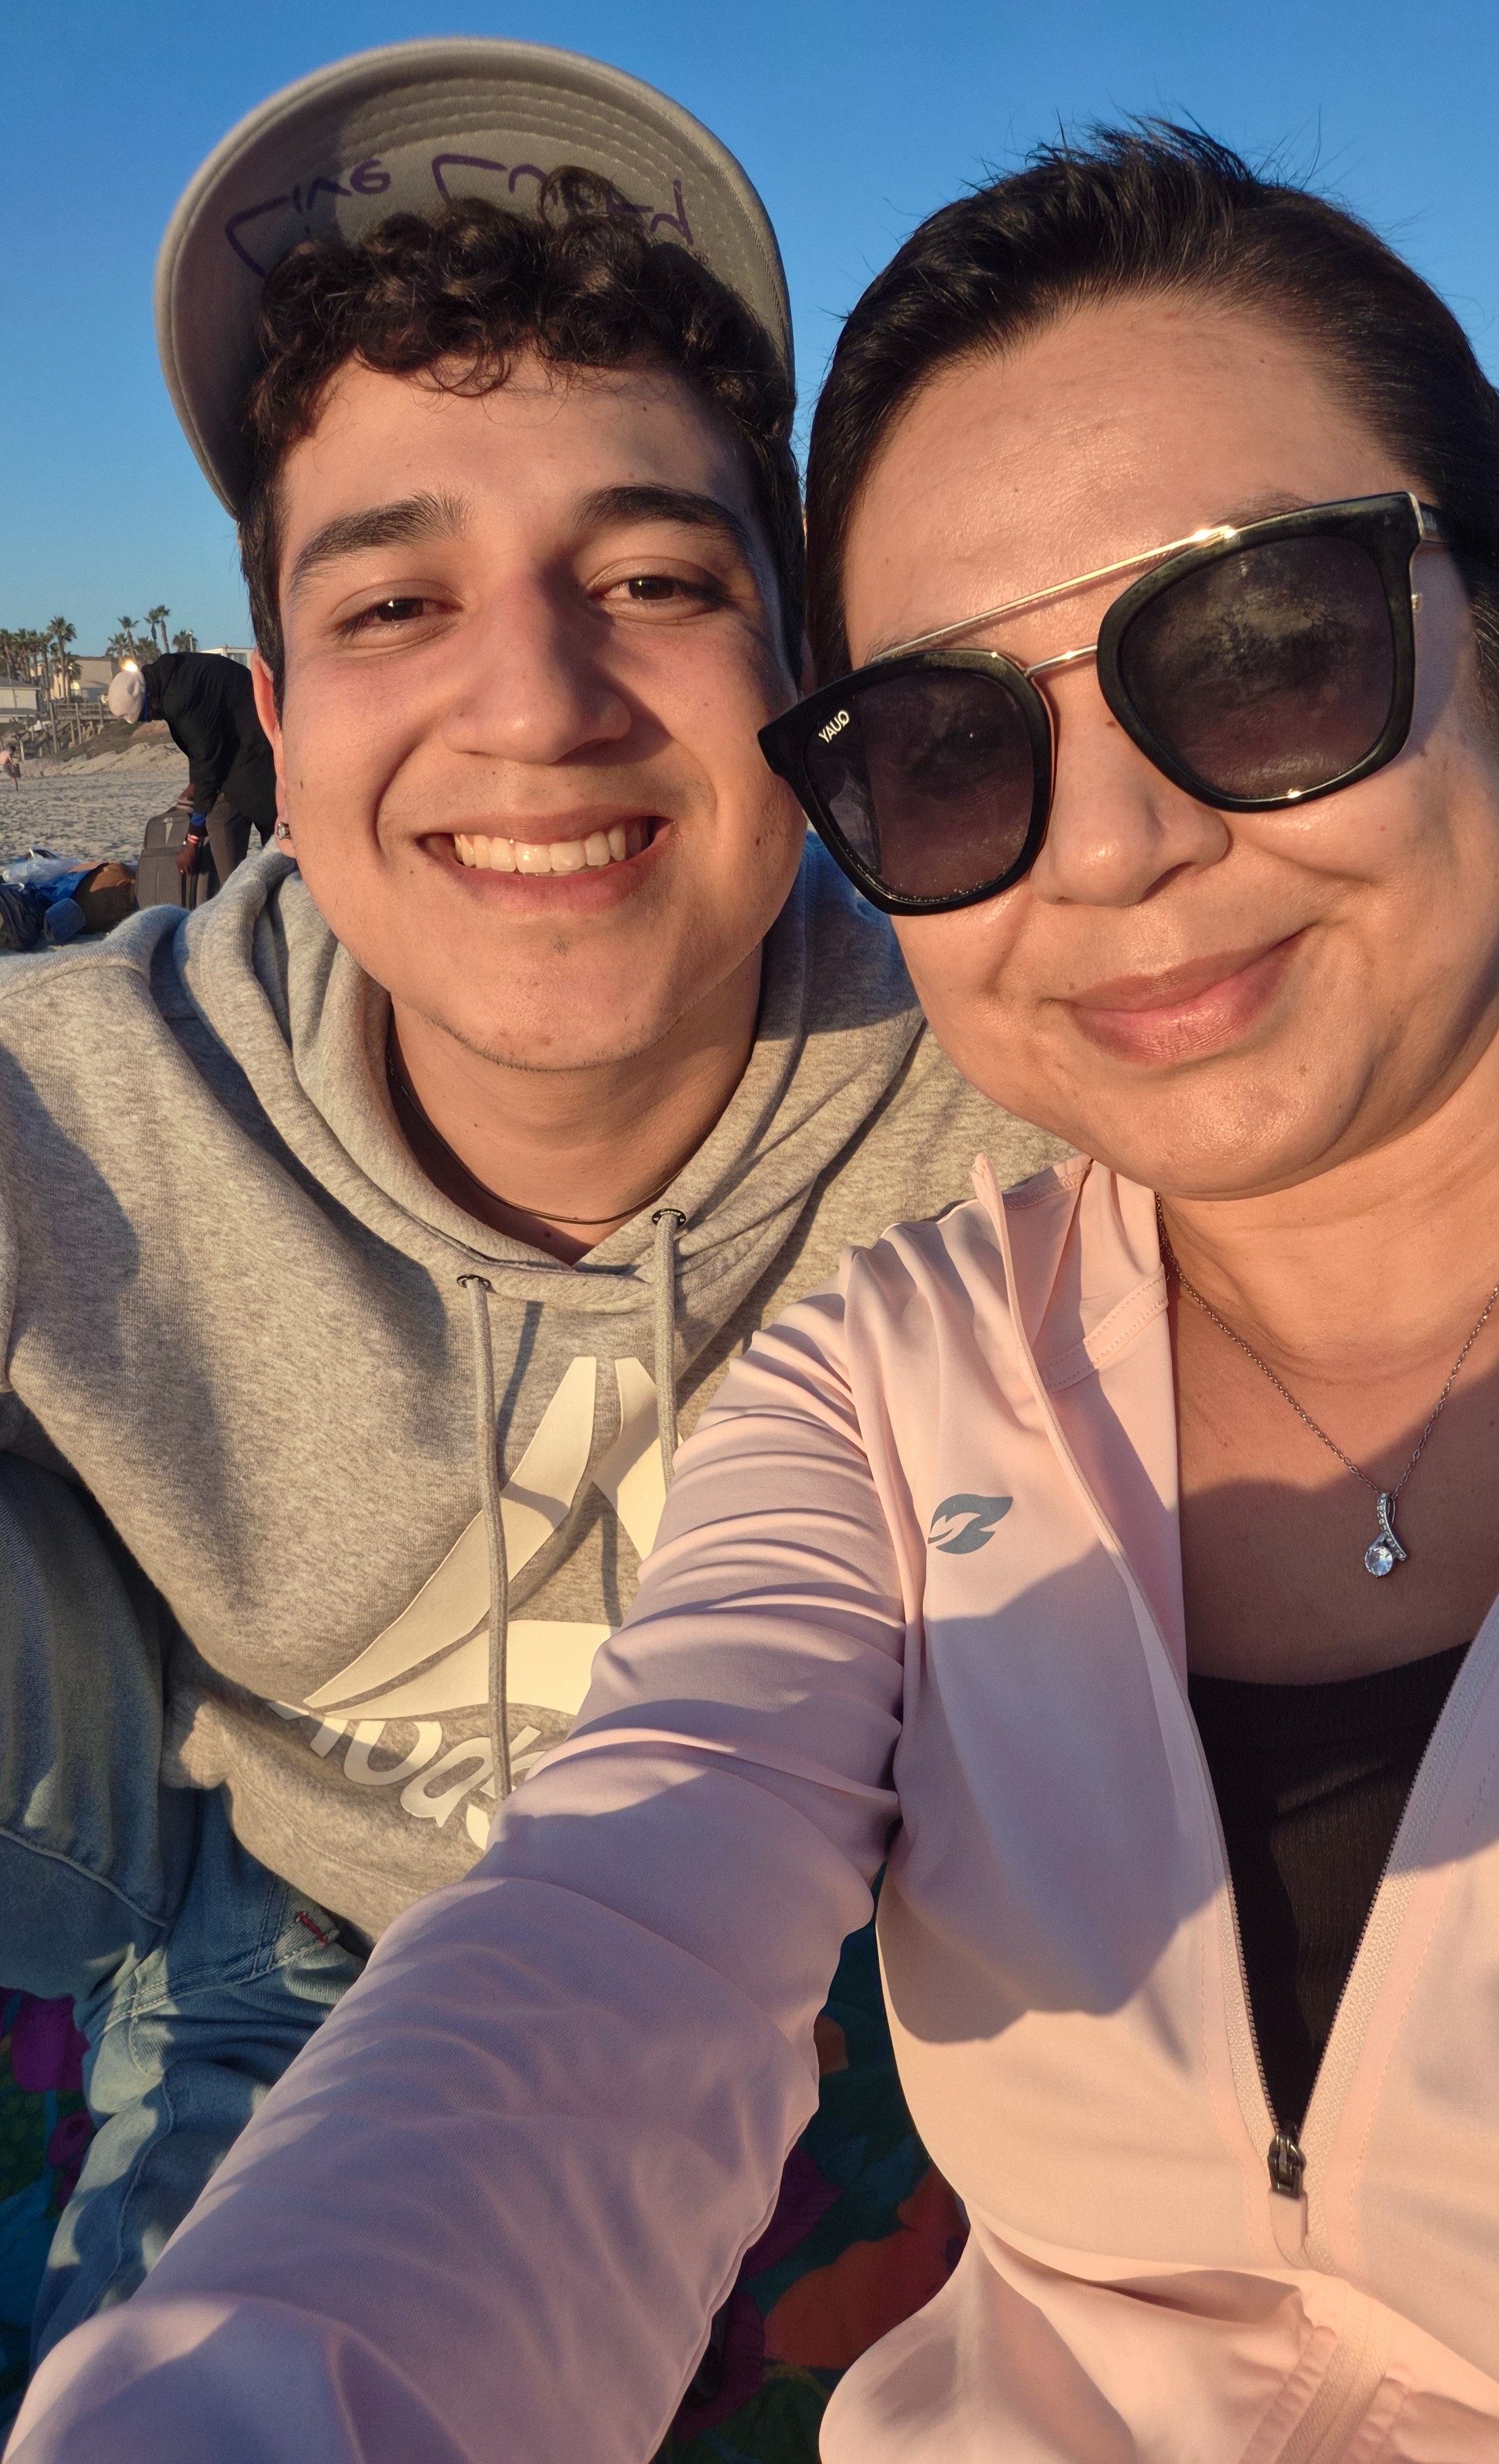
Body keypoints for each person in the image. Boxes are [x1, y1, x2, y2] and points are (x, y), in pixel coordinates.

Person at [20, 126, 1499, 2464]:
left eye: (1261, 649)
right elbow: (636, 1902)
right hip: (236, 1894)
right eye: (956, 743)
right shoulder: (904, 1372)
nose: (1114, 845)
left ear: (1496, 642)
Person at [0, 38, 1061, 2445]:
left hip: (850, 1957)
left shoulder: (1029, 1065)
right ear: (274, 726)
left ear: (797, 670)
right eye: (398, 599)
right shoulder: (76, 1095)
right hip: (275, 1921)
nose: (539, 702)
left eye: (655, 579)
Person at [103, 651, 274, 892]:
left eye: (146, 715)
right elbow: (200, 745)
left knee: (224, 819)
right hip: (236, 741)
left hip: (256, 742)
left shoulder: (180, 697)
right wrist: (195, 785)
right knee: (226, 813)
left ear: (150, 697)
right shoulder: (165, 679)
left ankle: (238, 894)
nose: (150, 719)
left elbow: (207, 761)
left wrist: (192, 841)